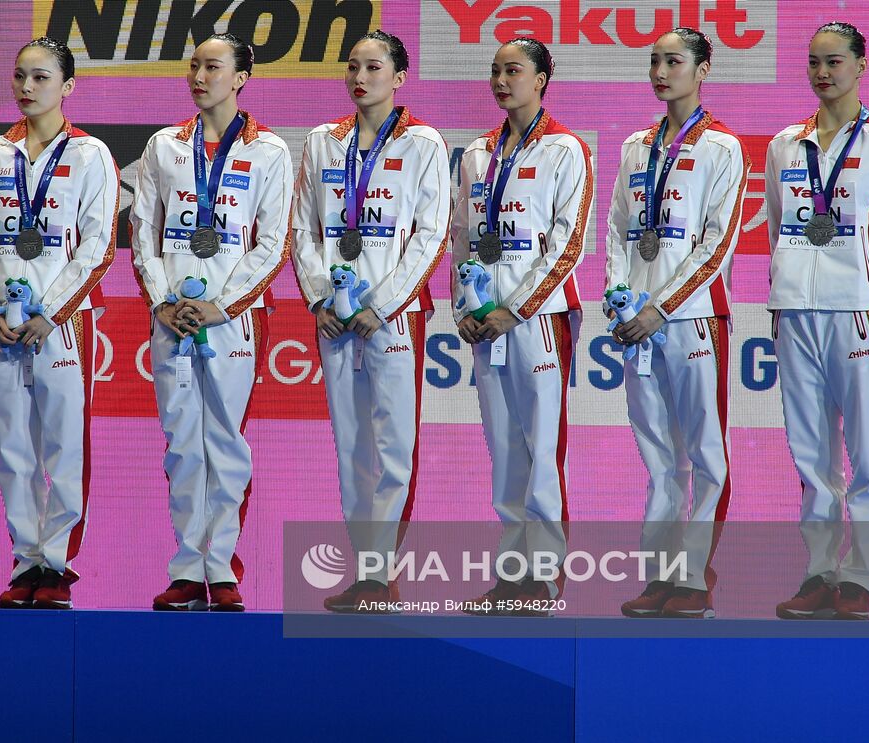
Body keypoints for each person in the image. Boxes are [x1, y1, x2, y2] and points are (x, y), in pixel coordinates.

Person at [130, 33, 293, 612]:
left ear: (242, 76)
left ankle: (220, 567)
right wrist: (163, 302)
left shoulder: (269, 151)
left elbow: (274, 244)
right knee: (180, 445)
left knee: (225, 442)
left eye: (213, 66)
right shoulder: (163, 147)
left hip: (232, 321)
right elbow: (142, 234)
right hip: (171, 319)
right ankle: (185, 568)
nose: (199, 75)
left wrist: (220, 305)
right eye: (193, 65)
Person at [767, 23, 869, 621]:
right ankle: (818, 573)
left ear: (862, 65)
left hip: (858, 315)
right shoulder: (785, 143)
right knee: (810, 454)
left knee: (864, 451)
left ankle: (859, 578)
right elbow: (782, 226)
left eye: (834, 61)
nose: (822, 73)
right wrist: (782, 302)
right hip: (797, 316)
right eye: (813, 63)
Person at [290, 31, 449, 612]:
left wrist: (377, 305)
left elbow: (432, 236)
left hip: (392, 318)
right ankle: (363, 570)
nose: (360, 77)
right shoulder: (321, 142)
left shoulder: (424, 143)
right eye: (353, 66)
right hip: (334, 318)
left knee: (392, 444)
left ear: (400, 76)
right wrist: (319, 299)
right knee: (351, 445)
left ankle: (382, 575)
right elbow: (303, 230)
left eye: (374, 66)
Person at [0, 37, 116, 609]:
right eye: (20, 77)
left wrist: (50, 311)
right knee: (12, 448)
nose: (27, 88)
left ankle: (57, 563)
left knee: (63, 444)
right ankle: (25, 561)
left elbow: (99, 245)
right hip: (2, 325)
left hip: (62, 324)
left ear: (67, 86)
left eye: (42, 78)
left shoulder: (91, 154)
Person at [606, 28, 747, 619]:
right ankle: (658, 578)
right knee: (661, 459)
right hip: (638, 325)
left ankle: (693, 581)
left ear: (704, 68)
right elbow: (616, 231)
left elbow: (717, 246)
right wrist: (620, 302)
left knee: (705, 455)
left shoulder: (723, 147)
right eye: (655, 61)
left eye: (676, 61)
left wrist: (658, 308)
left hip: (691, 322)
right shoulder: (637, 147)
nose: (662, 71)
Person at [453, 38, 592, 616]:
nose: (501, 80)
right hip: (488, 324)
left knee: (542, 447)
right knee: (504, 451)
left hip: (538, 320)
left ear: (542, 79)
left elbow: (568, 243)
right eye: (495, 71)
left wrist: (519, 307)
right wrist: (465, 306)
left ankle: (546, 576)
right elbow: (462, 238)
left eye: (514, 70)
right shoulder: (477, 154)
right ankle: (512, 575)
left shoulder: (566, 149)